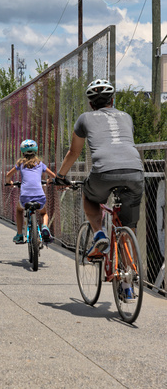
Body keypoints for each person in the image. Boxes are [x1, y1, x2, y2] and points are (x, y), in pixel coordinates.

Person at [55, 79, 144, 267]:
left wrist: (60, 176)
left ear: (90, 103)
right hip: (135, 170)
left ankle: (99, 234)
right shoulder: (126, 116)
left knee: (90, 197)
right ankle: (128, 281)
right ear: (112, 100)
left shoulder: (84, 118)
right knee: (129, 224)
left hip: (104, 171)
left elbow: (74, 152)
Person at [6, 139, 56, 244]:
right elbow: (54, 176)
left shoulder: (20, 164)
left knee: (19, 210)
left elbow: (8, 175)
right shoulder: (40, 164)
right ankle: (45, 227)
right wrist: (49, 180)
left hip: (25, 197)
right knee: (44, 213)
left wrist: (9, 182)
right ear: (36, 151)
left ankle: (19, 234)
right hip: (40, 197)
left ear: (22, 152)